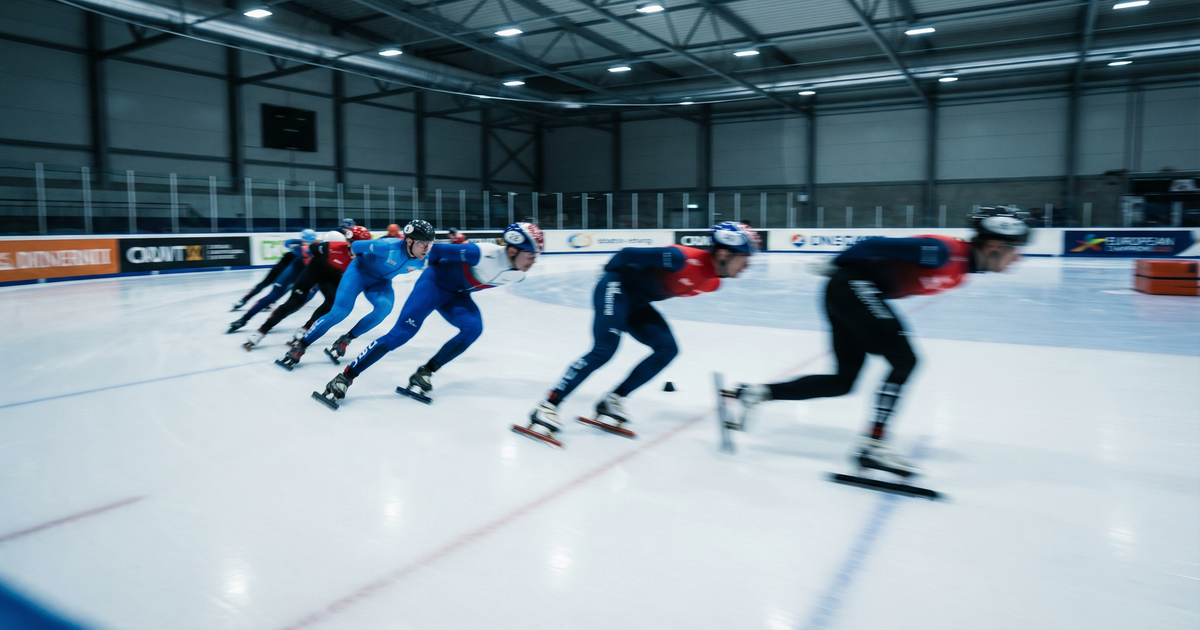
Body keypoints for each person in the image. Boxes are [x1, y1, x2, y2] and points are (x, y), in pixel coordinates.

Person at [727, 207, 1033, 477]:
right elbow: (873, 245)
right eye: (1014, 250)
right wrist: (838, 264)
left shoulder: (960, 270)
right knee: (905, 360)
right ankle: (874, 445)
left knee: (843, 381)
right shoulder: (945, 252)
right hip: (852, 287)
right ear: (994, 245)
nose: (1016, 259)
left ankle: (757, 393)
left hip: (848, 292)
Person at [516, 221, 759, 447]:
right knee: (605, 349)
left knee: (667, 349)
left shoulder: (714, 282)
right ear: (725, 253)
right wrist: (608, 279)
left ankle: (613, 399)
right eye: (745, 258)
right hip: (616, 286)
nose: (747, 266)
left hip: (637, 301)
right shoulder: (680, 258)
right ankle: (548, 405)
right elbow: (626, 255)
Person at [312, 222, 543, 409]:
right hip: (434, 285)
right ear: (513, 249)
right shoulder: (481, 253)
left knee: (473, 329)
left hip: (457, 295)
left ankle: (425, 372)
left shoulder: (519, 274)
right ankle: (345, 377)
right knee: (401, 335)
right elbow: (437, 251)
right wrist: (434, 276)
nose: (534, 261)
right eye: (531, 255)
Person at [277, 220, 434, 368]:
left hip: (380, 282)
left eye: (429, 244)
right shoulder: (385, 246)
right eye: (422, 243)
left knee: (384, 309)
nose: (427, 249)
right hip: (358, 273)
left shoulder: (421, 260)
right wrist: (354, 257)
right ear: (409, 241)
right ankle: (301, 345)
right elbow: (357, 245)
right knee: (340, 312)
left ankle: (346, 339)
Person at [243, 226, 369, 352]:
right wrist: (306, 253)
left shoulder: (363, 258)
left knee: (332, 301)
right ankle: (262, 330)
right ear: (349, 242)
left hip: (332, 278)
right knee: (294, 303)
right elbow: (309, 249)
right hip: (313, 273)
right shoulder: (332, 247)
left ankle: (306, 328)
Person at [228, 229, 315, 333]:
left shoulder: (303, 249)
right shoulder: (305, 249)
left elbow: (288, 243)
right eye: (304, 242)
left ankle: (257, 322)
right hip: (294, 272)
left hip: (307, 276)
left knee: (294, 303)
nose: (306, 244)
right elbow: (288, 243)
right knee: (273, 295)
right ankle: (244, 318)